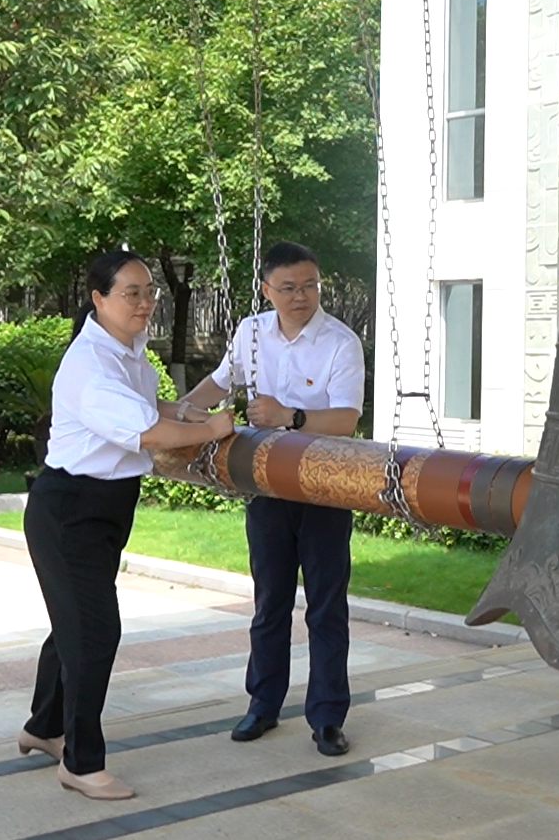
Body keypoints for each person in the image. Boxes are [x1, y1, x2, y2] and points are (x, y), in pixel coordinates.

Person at [21, 249, 233, 800]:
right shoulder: (91, 364)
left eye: (148, 292)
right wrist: (211, 429)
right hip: (71, 511)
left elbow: (148, 406)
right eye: (131, 293)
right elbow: (146, 433)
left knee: (73, 623)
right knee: (95, 633)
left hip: (103, 508)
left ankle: (44, 726)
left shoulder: (125, 349)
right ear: (98, 298)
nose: (144, 302)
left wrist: (185, 411)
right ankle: (81, 763)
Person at [179, 240, 365, 757]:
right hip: (265, 484)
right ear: (267, 290)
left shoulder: (340, 342)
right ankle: (262, 704)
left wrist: (290, 417)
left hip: (326, 485)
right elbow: (220, 383)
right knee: (269, 603)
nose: (301, 296)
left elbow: (346, 419)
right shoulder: (252, 332)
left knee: (326, 607)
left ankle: (327, 718)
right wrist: (179, 411)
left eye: (310, 286)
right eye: (288, 288)